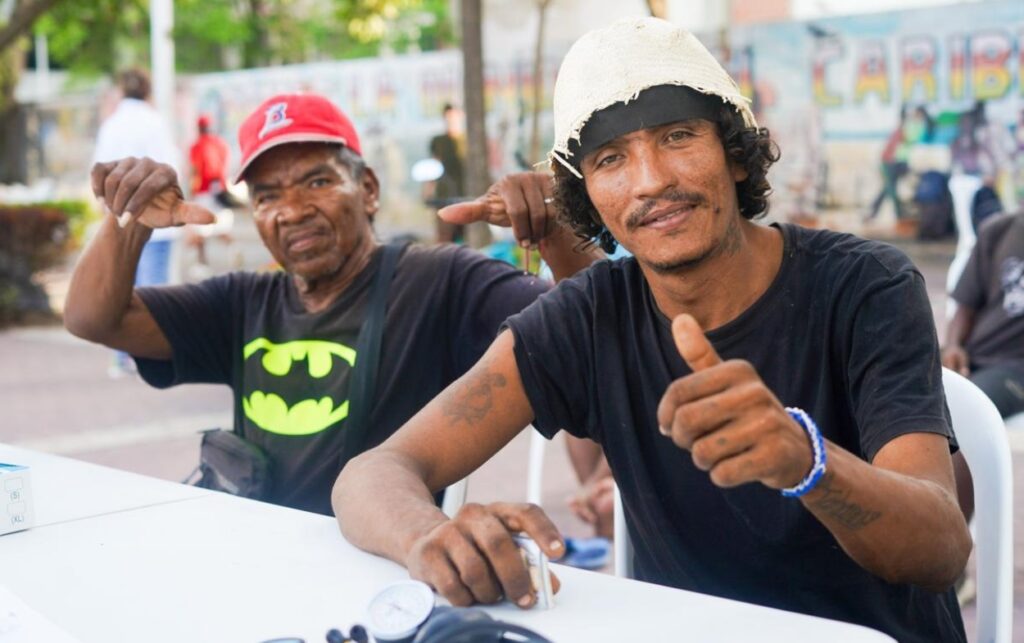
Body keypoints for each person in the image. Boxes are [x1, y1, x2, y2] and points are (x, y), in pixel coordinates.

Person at [333, 18, 971, 643]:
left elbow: (941, 548)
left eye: (678, 136)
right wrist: (430, 536)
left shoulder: (867, 286)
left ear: (736, 155)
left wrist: (808, 460)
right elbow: (373, 473)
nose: (651, 181)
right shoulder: (588, 315)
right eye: (611, 158)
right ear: (588, 195)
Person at [64, 92, 598, 515]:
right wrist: (126, 221)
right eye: (268, 195)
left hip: (382, 563)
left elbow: (589, 333)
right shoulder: (242, 302)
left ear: (367, 189)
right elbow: (94, 318)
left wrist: (559, 234)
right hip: (256, 555)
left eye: (317, 181)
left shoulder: (438, 282)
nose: (291, 210)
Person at [93, 68, 181, 376]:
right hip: (154, 223)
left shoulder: (112, 124)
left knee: (121, 287)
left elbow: (99, 173)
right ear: (148, 90)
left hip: (118, 221)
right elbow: (171, 170)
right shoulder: (155, 121)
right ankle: (147, 356)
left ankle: (120, 356)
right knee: (153, 289)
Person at [943, 210, 1024, 519]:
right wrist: (953, 346)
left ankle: (947, 546)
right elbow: (966, 304)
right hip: (975, 356)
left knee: (967, 417)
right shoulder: (1001, 228)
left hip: (1015, 368)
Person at [185, 114, 236, 277]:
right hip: (220, 190)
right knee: (222, 227)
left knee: (200, 231)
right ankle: (233, 251)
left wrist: (191, 193)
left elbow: (195, 171)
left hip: (204, 192)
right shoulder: (221, 144)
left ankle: (202, 264)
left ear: (199, 128)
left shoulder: (197, 146)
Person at [429, 103, 468, 243]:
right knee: (445, 241)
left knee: (469, 240)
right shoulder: (438, 141)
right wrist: (428, 192)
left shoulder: (470, 140)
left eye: (454, 116)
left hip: (468, 197)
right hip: (444, 198)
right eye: (448, 117)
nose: (451, 120)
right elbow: (433, 167)